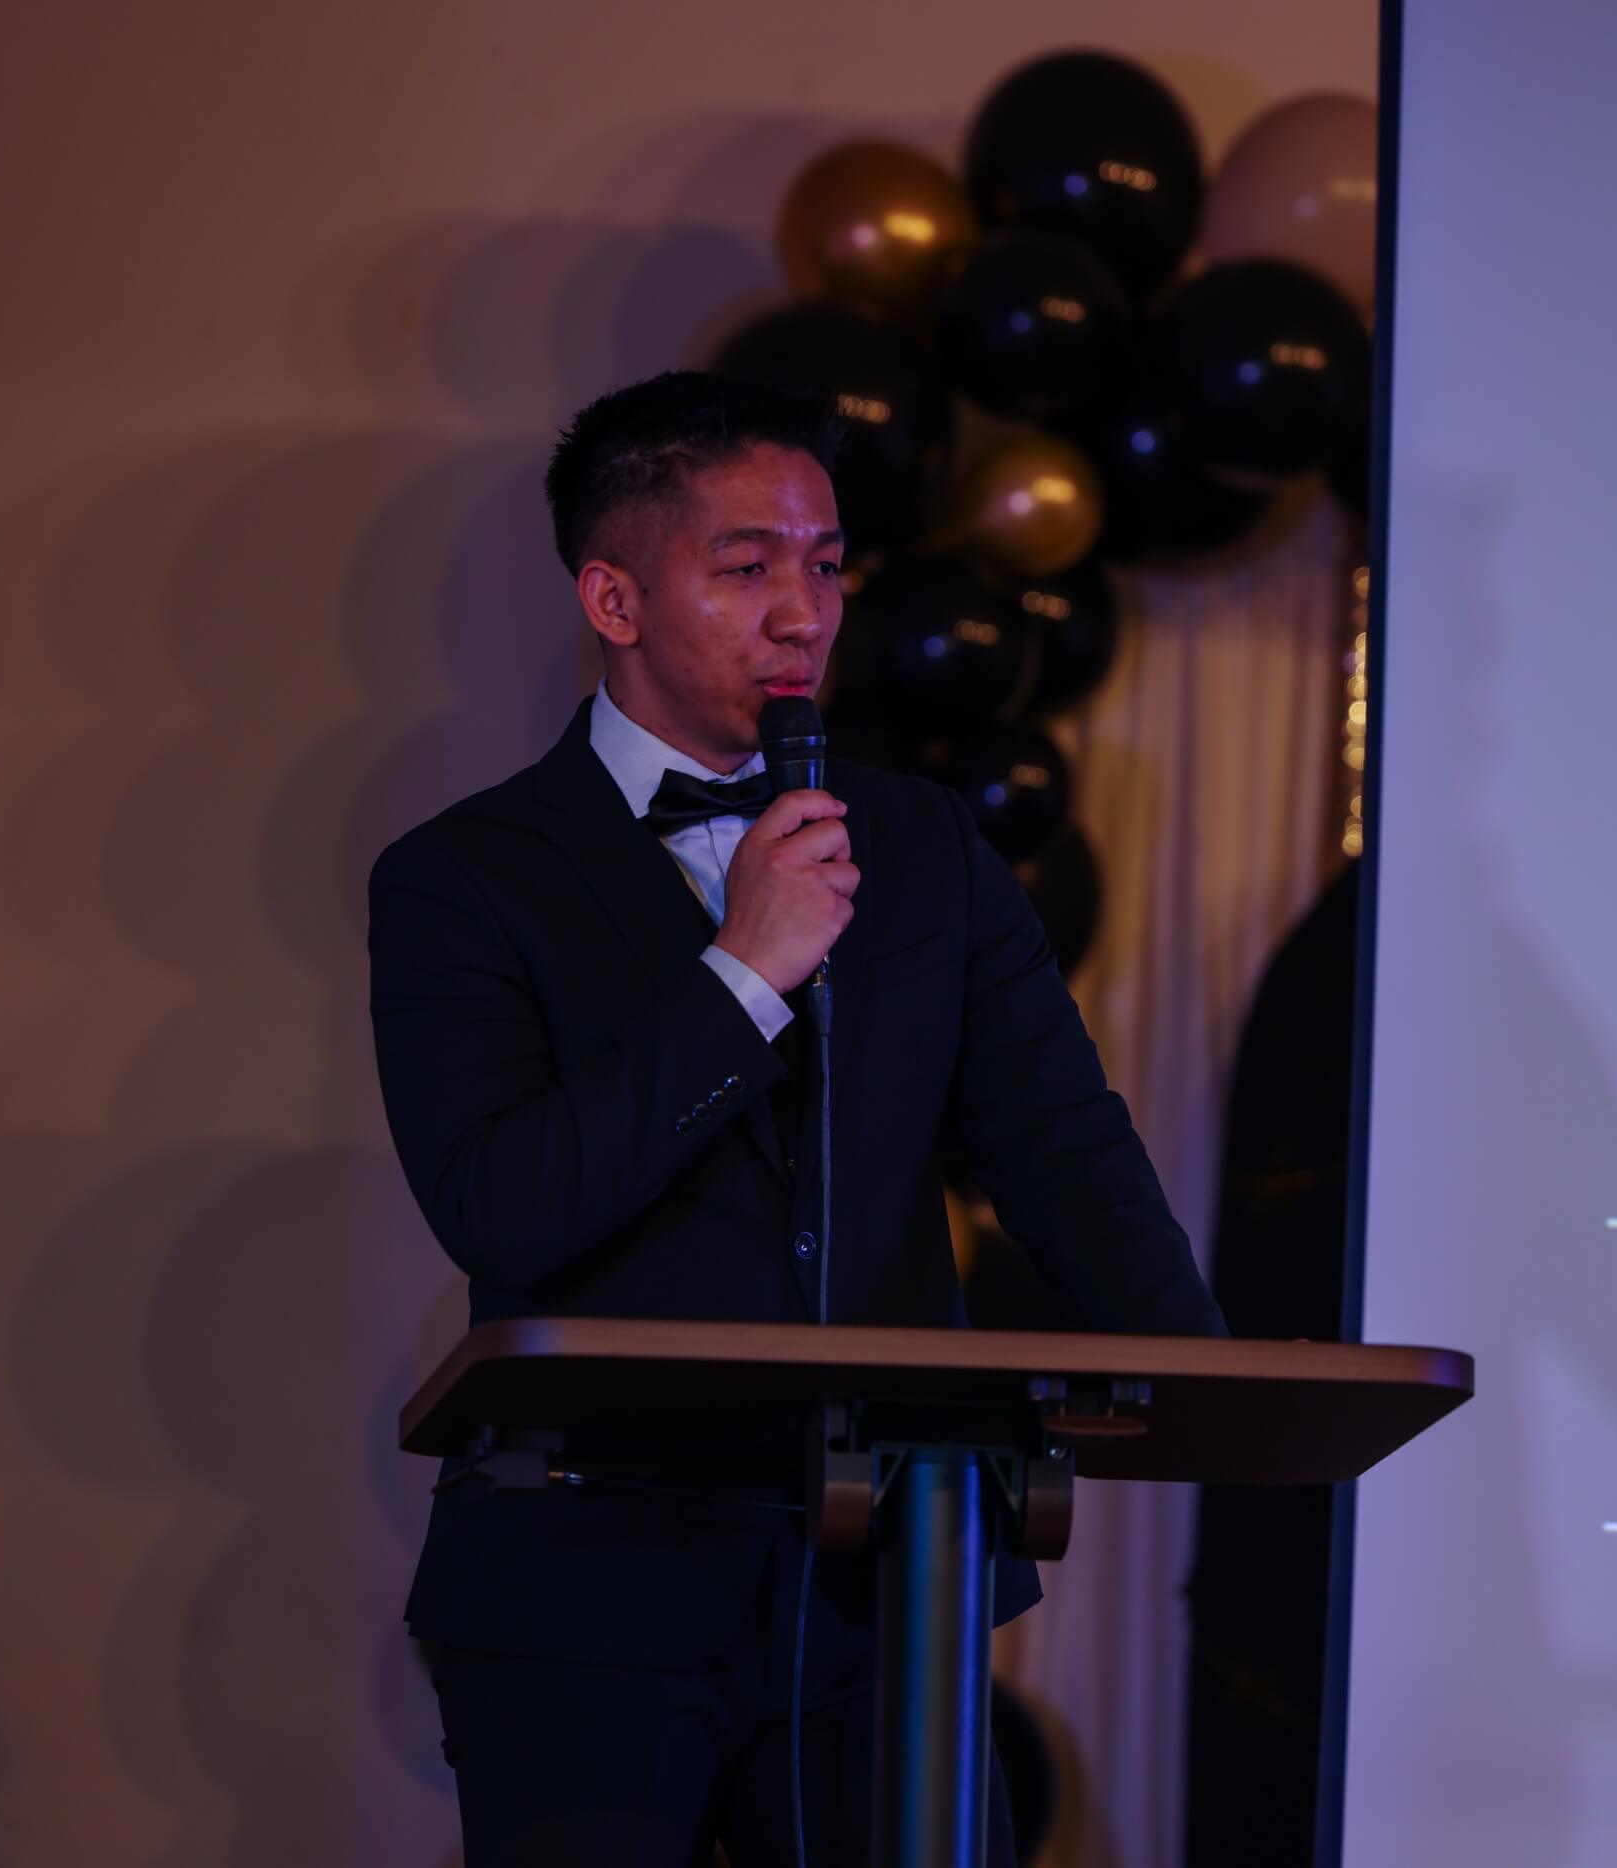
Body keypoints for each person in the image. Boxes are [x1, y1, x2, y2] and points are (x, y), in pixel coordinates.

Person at [369, 370, 1223, 1866]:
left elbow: (1064, 1148)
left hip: (886, 1584)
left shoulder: (925, 846)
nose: (803, 614)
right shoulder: (464, 876)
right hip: (589, 1579)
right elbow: (504, 1204)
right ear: (615, 600)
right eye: (747, 566)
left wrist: (1211, 1389)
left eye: (826, 566)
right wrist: (743, 973)